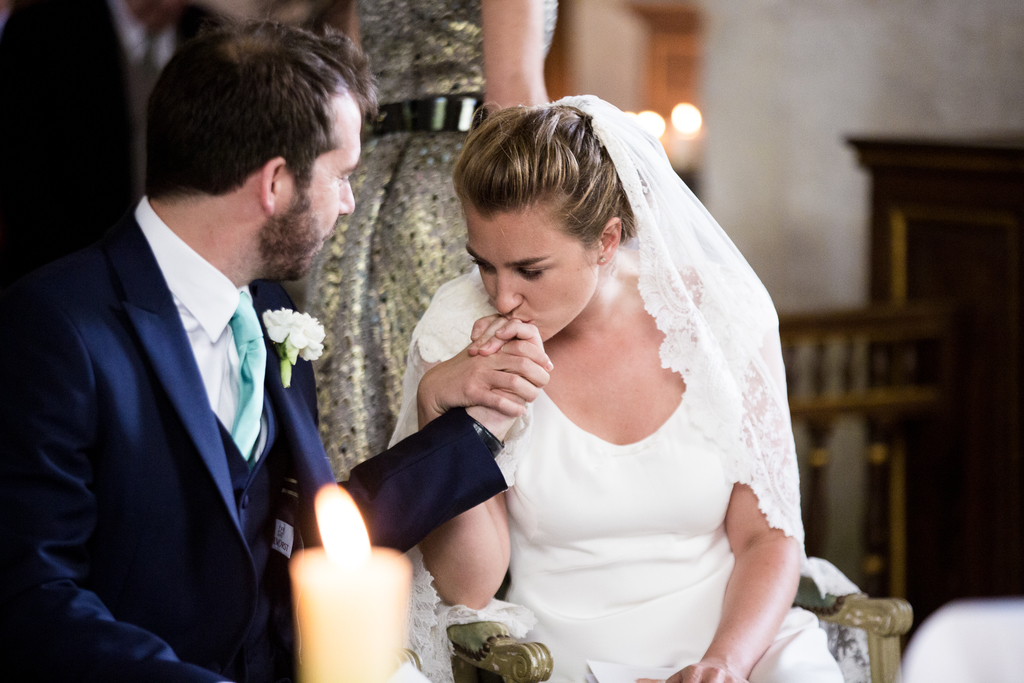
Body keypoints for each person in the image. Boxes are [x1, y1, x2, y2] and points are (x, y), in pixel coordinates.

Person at [0, 22, 552, 683]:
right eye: (343, 174)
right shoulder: (53, 327)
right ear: (276, 183)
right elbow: (32, 598)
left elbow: (315, 530)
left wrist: (467, 423)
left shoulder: (267, 313)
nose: (350, 203)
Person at [392, 97, 847, 683]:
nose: (502, 298)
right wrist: (447, 415)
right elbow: (468, 587)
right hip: (565, 661)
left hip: (740, 645)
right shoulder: (459, 331)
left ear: (607, 240)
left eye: (530, 270)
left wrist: (723, 666)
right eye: (485, 264)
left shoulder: (721, 314)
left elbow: (768, 537)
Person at [303, 0, 558, 477]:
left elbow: (354, 74)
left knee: (359, 392)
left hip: (365, 189)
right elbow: (514, 96)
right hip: (455, 193)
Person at [0, 0, 210, 288]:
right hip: (67, 281)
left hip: (184, 281)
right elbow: (24, 181)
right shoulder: (41, 31)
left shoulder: (212, 39)